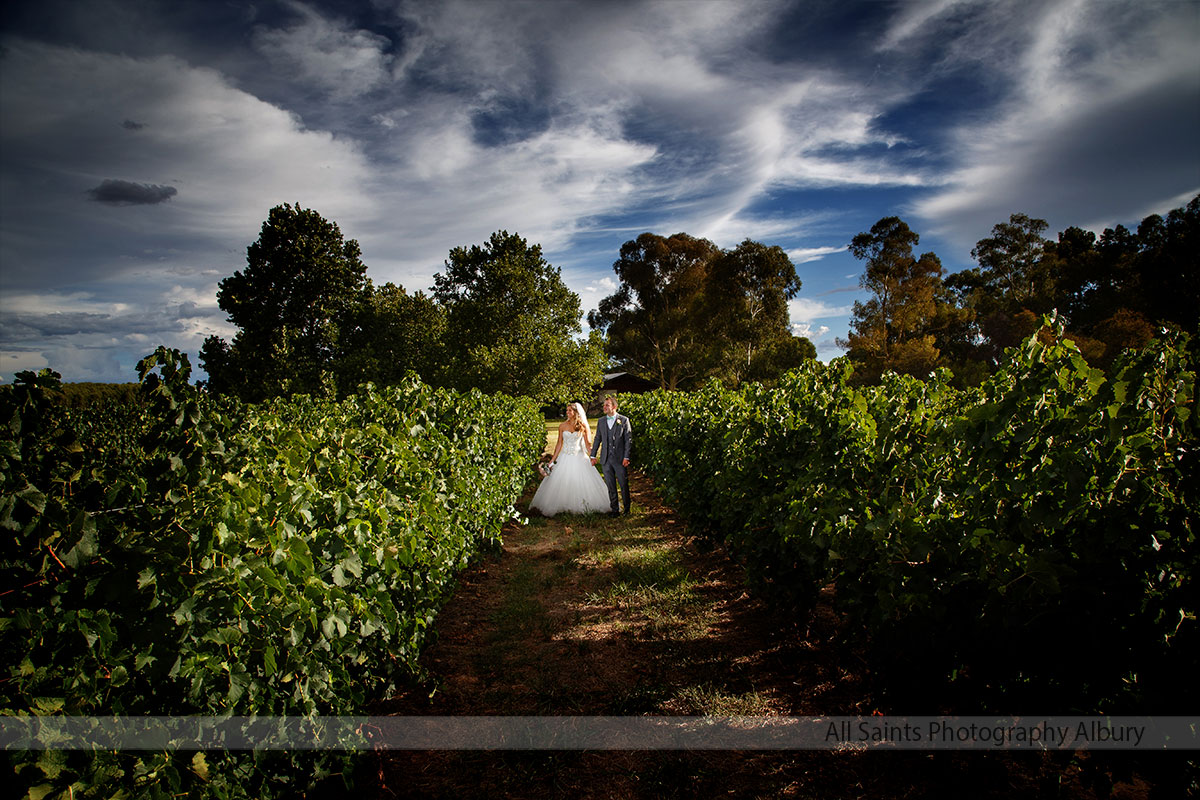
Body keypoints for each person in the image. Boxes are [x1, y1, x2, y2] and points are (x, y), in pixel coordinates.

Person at [529, 402, 612, 516]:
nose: (567, 412)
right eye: (567, 410)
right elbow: (559, 444)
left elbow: (588, 444)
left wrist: (592, 456)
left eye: (570, 410)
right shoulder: (562, 426)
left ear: (576, 412)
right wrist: (552, 460)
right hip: (565, 457)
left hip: (579, 457)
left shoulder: (582, 426)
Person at [590, 395, 632, 515]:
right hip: (606, 459)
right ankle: (615, 509)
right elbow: (598, 438)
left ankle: (627, 509)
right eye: (604, 405)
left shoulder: (623, 420)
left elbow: (628, 440)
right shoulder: (601, 421)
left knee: (623, 484)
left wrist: (626, 457)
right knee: (610, 485)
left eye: (607, 405)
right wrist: (593, 455)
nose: (604, 407)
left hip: (620, 459)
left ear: (614, 406)